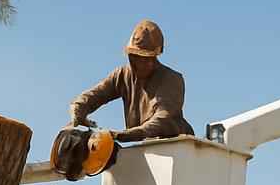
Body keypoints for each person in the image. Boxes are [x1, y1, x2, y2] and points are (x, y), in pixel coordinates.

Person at [68, 19, 196, 143]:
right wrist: (78, 109)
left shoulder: (171, 79)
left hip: (177, 148)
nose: (139, 63)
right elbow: (96, 94)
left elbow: (162, 119)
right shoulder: (123, 75)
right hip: (144, 146)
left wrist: (123, 135)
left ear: (155, 57)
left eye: (145, 58)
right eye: (134, 56)